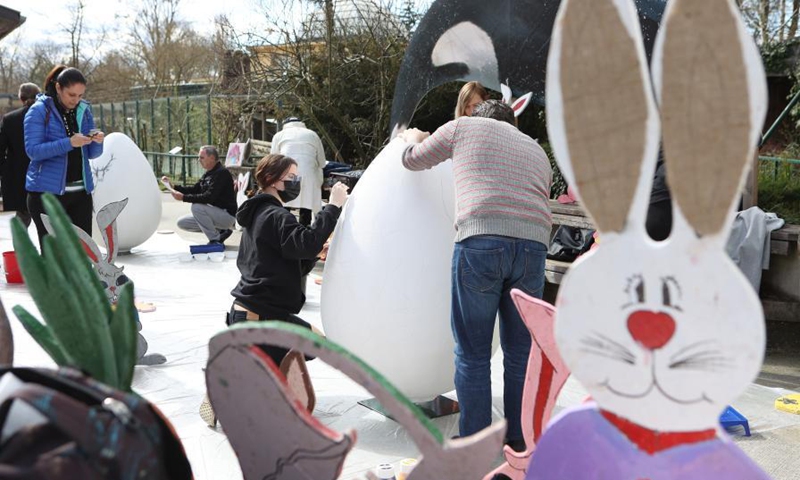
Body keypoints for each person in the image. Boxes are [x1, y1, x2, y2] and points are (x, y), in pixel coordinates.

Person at [400, 100, 552, 450]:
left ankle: (476, 442)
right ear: (512, 122)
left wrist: (412, 137)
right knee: (520, 352)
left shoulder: (462, 128)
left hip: (481, 241)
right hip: (532, 249)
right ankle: (517, 440)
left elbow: (413, 160)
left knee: (473, 351)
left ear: (477, 117)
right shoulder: (536, 149)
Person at [229, 153, 348, 365]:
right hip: (260, 317)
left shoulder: (259, 213)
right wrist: (333, 206)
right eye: (291, 176)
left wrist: (315, 254)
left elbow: (288, 257)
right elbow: (307, 242)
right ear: (273, 180)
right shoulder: (276, 215)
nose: (297, 182)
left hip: (249, 313)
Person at [24, 66, 103, 244]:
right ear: (58, 87)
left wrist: (97, 141)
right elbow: (33, 151)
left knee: (84, 255)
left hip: (81, 193)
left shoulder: (84, 110)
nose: (76, 100)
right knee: (54, 259)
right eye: (71, 95)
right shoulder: (38, 111)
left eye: (80, 95)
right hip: (47, 195)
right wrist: (69, 143)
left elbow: (91, 154)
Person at [167, 145, 237, 245]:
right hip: (215, 214)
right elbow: (195, 189)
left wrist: (183, 198)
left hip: (227, 216)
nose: (198, 160)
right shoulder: (208, 173)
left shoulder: (222, 173)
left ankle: (215, 240)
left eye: (201, 157)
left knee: (197, 207)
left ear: (212, 158)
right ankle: (221, 231)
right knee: (182, 222)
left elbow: (208, 197)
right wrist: (174, 187)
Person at [270, 117, 327, 226]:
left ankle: (283, 231)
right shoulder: (313, 134)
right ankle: (303, 232)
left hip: (288, 174)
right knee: (306, 205)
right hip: (309, 175)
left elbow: (273, 160)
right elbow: (322, 163)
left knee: (285, 204)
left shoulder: (279, 135)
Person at [0, 82, 40, 228]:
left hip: (18, 176)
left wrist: (5, 170)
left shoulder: (9, 119)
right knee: (46, 218)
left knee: (23, 217)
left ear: (20, 98)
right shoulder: (47, 117)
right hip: (43, 173)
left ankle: (20, 249)